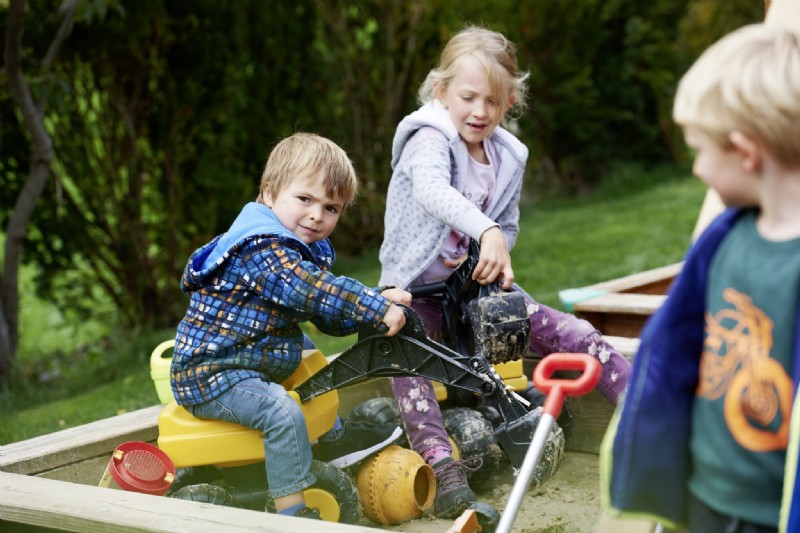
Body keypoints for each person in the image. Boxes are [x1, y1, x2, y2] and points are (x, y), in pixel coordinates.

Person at [378, 25, 633, 519]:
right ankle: (442, 468)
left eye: (493, 101)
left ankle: (645, 413)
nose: (480, 111)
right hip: (412, 292)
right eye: (468, 97)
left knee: (570, 331)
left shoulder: (506, 156)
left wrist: (494, 247)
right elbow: (432, 191)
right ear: (441, 91)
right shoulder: (427, 138)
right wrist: (487, 229)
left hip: (473, 290)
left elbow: (508, 226)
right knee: (403, 355)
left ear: (510, 100)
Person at [602, 23, 800, 533]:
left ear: (746, 151)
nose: (696, 170)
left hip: (771, 515)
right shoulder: (723, 240)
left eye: (700, 150)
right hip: (699, 498)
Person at [171, 132, 410, 520]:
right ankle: (292, 513)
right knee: (280, 412)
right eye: (305, 199)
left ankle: (330, 438)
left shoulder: (294, 246)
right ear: (269, 193)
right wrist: (369, 303)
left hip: (251, 355)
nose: (317, 215)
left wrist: (377, 304)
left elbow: (325, 313)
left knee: (312, 356)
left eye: (331, 208)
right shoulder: (261, 248)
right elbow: (307, 290)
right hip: (212, 374)